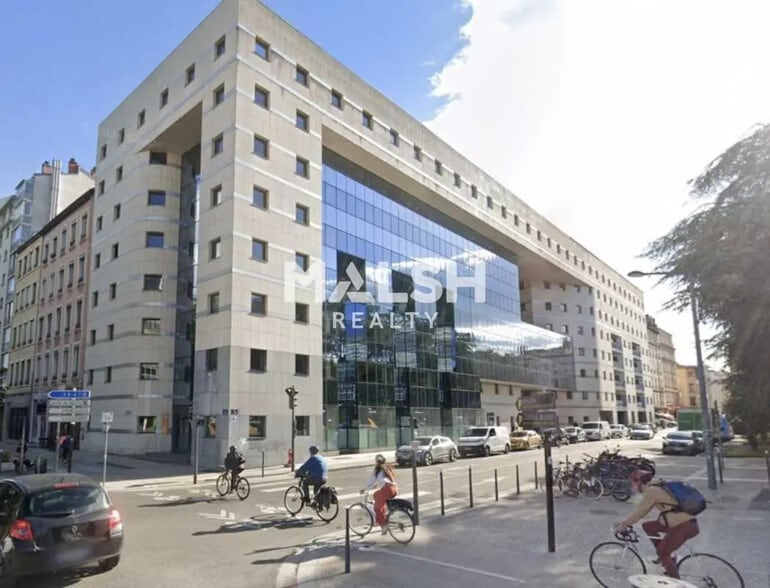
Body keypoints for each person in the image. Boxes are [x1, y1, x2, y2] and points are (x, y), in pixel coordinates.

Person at [613, 469, 700, 579]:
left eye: (632, 484)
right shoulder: (658, 485)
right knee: (647, 526)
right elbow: (644, 512)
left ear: (639, 482)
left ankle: (676, 581)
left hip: (684, 526)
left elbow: (640, 513)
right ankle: (668, 559)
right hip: (681, 523)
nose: (632, 488)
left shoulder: (652, 491)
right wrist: (624, 522)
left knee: (663, 552)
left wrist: (624, 524)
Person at [361, 454, 398, 534]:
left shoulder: (377, 470)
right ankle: (384, 518)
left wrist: (365, 489)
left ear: (377, 462)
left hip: (387, 489)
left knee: (376, 508)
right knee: (377, 496)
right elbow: (385, 480)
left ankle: (384, 526)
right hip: (394, 489)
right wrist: (376, 485)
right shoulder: (387, 467)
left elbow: (371, 481)